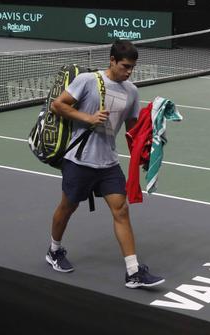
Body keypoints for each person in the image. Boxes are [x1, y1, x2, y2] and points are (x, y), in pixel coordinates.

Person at [46, 40, 165, 289]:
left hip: (109, 163)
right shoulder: (88, 81)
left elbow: (132, 131)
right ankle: (54, 250)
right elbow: (58, 105)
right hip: (79, 159)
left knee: (121, 210)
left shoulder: (131, 91)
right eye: (125, 66)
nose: (129, 71)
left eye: (132, 67)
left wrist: (148, 148)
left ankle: (133, 271)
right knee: (68, 207)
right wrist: (87, 118)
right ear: (112, 60)